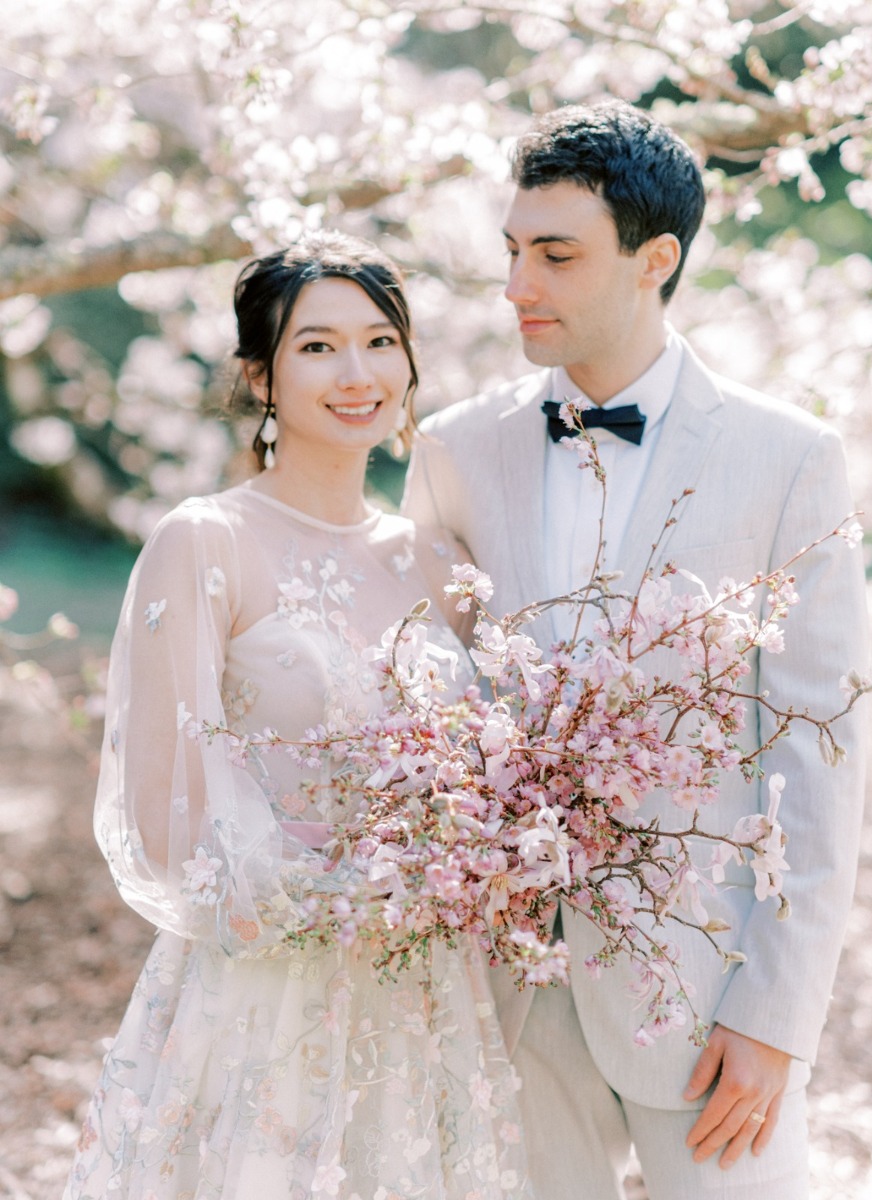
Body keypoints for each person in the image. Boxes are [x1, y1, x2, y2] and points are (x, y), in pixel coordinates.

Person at [402, 99, 868, 1199]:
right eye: (513, 251)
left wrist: (775, 1013)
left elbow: (821, 761)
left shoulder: (790, 458)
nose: (518, 285)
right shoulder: (454, 449)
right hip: (507, 987)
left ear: (656, 258)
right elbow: (437, 694)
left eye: (555, 256)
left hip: (707, 994)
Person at [65, 233, 531, 1200]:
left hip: (422, 987)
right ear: (259, 375)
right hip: (264, 990)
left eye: (379, 342)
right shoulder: (207, 542)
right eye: (317, 346)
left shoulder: (437, 563)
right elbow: (164, 816)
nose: (356, 373)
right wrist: (331, 898)